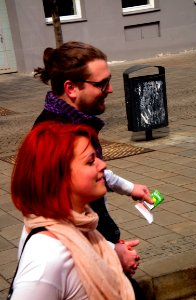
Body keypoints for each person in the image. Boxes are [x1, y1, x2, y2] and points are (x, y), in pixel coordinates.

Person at [33, 41, 153, 297]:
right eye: (101, 84)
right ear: (71, 88)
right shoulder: (54, 135)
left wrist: (130, 188)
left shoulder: (75, 122)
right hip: (86, 258)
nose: (109, 89)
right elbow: (59, 218)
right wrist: (111, 252)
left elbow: (97, 176)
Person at [10, 121, 135, 300]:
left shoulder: (78, 226)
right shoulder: (47, 257)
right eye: (90, 161)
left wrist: (115, 250)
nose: (102, 165)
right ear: (58, 178)